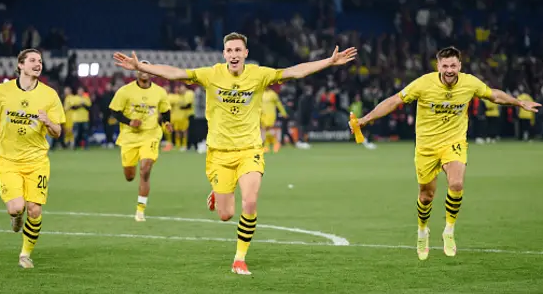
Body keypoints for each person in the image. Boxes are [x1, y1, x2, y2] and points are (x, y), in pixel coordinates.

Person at [114, 32, 357, 275]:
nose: (233, 55)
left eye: (238, 50)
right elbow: (176, 73)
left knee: (250, 201)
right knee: (225, 214)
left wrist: (328, 61)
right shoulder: (211, 74)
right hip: (218, 153)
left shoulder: (259, 75)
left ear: (245, 54)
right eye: (229, 50)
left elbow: (294, 71)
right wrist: (140, 66)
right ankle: (218, 192)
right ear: (224, 54)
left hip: (249, 149)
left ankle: (239, 259)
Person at [349, 46, 540, 261]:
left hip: (454, 142)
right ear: (438, 66)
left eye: (453, 65)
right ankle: (422, 231)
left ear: (460, 66)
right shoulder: (423, 84)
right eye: (445, 65)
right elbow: (394, 101)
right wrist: (365, 119)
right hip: (426, 147)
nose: (449, 70)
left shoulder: (470, 83)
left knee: (456, 184)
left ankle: (449, 230)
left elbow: (493, 95)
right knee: (426, 196)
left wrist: (519, 102)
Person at [0, 48, 65, 269]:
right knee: (17, 208)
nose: (38, 64)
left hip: (37, 161)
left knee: (34, 209)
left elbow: (58, 132)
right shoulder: (1, 91)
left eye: (40, 61)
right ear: (21, 65)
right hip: (9, 160)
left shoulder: (49, 95)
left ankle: (25, 254)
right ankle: (16, 216)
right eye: (33, 60)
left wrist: (48, 122)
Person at [109, 62, 172, 221]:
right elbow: (114, 111)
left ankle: (140, 210)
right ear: (136, 72)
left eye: (146, 68)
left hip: (150, 135)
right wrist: (129, 121)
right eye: (141, 68)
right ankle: (131, 172)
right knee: (130, 175)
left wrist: (166, 123)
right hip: (129, 137)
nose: (144, 72)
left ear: (151, 72)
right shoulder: (125, 91)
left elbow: (165, 111)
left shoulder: (160, 92)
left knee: (145, 169)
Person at [261, 86, 288, 153]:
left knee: (267, 130)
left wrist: (283, 113)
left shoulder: (273, 94)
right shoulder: (261, 93)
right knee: (265, 131)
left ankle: (275, 143)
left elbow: (278, 104)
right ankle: (270, 146)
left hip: (270, 115)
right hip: (262, 115)